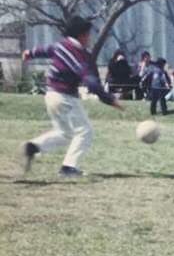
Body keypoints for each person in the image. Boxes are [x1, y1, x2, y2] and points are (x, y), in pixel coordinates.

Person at [21, 15, 121, 176]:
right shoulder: (78, 55)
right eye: (88, 34)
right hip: (65, 97)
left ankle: (34, 146)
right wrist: (109, 99)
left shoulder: (61, 46)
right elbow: (90, 81)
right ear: (81, 35)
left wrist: (29, 53)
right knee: (85, 132)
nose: (89, 38)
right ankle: (68, 167)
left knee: (65, 133)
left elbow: (45, 50)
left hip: (51, 95)